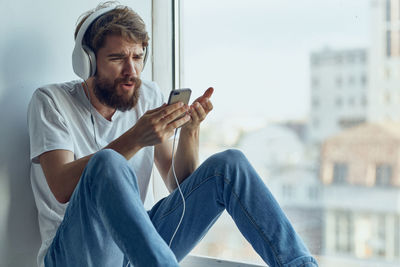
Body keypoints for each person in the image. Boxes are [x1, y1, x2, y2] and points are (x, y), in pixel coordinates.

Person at [27, 2, 318, 267]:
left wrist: (190, 131)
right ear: (87, 61)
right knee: (107, 163)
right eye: (117, 58)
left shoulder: (147, 95)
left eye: (138, 57)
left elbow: (178, 185)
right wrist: (136, 137)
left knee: (230, 165)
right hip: (76, 255)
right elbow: (61, 186)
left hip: (138, 251)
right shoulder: (51, 101)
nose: (132, 71)